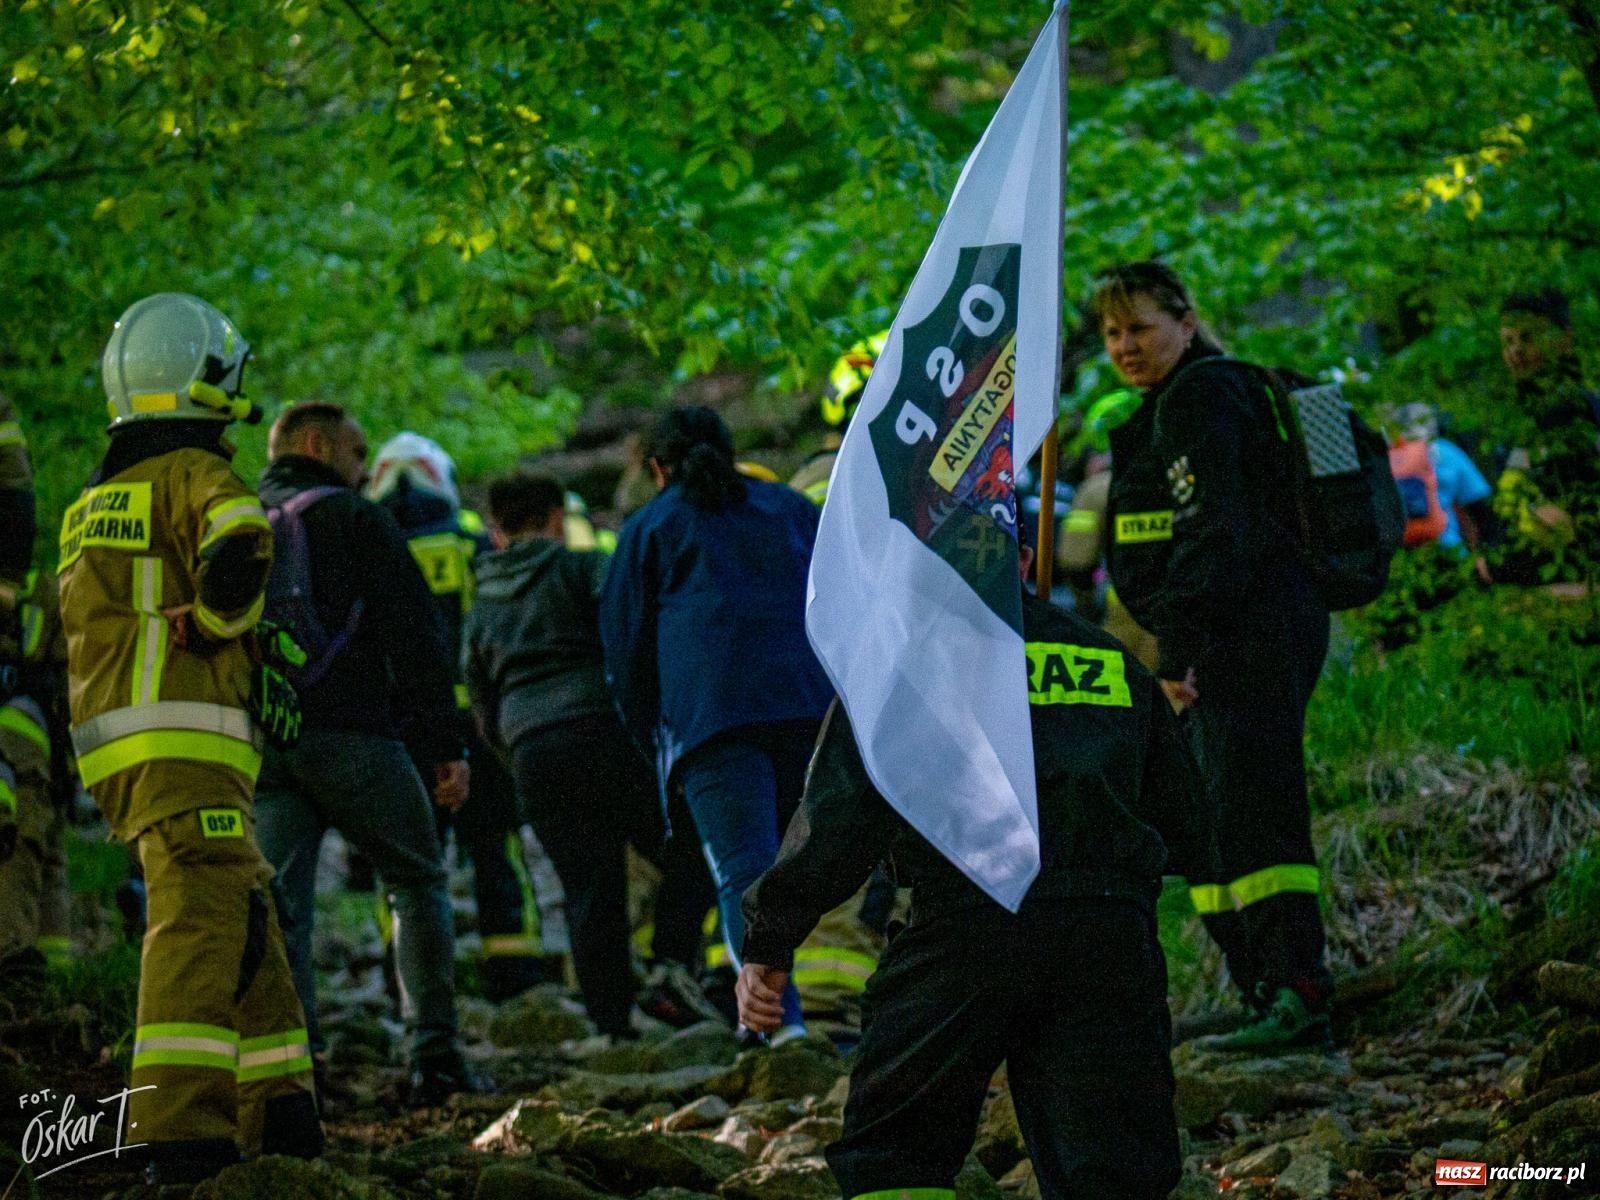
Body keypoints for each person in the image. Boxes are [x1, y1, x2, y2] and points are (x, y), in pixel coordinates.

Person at [737, 531, 1204, 1198]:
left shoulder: (902, 662)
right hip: (1104, 931)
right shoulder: (1107, 658)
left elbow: (840, 817)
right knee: (1113, 1162)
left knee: (893, 1150)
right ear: (1023, 561)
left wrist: (771, 939)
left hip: (965, 922)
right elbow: (1184, 816)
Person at [57, 293, 320, 1182]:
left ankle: (282, 1109)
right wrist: (217, 622)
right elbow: (244, 538)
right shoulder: (191, 476)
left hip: (124, 755)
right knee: (196, 920)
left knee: (244, 905)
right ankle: (177, 1133)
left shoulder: (93, 503)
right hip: (185, 747)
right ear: (206, 380)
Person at [1093, 261, 1336, 1052]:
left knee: (1254, 805)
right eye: (1112, 333)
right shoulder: (1175, 404)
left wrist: (1178, 654)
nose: (1125, 346)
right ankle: (1262, 988)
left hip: (1247, 632)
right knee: (1211, 811)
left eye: (1140, 328)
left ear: (1186, 324)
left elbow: (1215, 533)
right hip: (1234, 631)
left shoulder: (1203, 396)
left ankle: (1298, 993)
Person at [253, 402, 482, 1105]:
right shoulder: (356, 518)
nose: (363, 469)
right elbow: (414, 637)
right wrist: (444, 746)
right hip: (357, 739)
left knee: (280, 903)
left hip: (266, 749)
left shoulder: (232, 517)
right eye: (357, 453)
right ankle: (433, 1058)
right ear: (318, 445)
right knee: (415, 880)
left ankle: (294, 1065)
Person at [600, 406, 833, 1044]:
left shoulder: (652, 525)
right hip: (808, 709)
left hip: (710, 720)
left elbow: (623, 648)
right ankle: (795, 1016)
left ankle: (776, 1028)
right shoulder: (791, 510)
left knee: (743, 869)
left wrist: (652, 730)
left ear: (655, 467)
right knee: (791, 867)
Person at [462, 471, 676, 1038]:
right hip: (603, 733)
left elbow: (478, 695)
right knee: (686, 850)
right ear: (558, 518)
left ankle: (611, 1026)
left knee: (588, 888)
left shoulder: (480, 601)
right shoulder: (580, 567)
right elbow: (629, 639)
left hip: (532, 751)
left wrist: (515, 751)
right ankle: (672, 971)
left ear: (496, 530)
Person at [366, 433, 546, 1003]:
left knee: (402, 860)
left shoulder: (366, 548)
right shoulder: (473, 542)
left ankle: (404, 978)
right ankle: (513, 973)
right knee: (497, 846)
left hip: (402, 729)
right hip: (481, 725)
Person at [1490, 288, 1599, 589]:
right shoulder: (1523, 421)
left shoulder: (1577, 414)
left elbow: (1566, 523)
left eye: (1528, 337)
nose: (1516, 351)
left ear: (1563, 340)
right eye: (1508, 341)